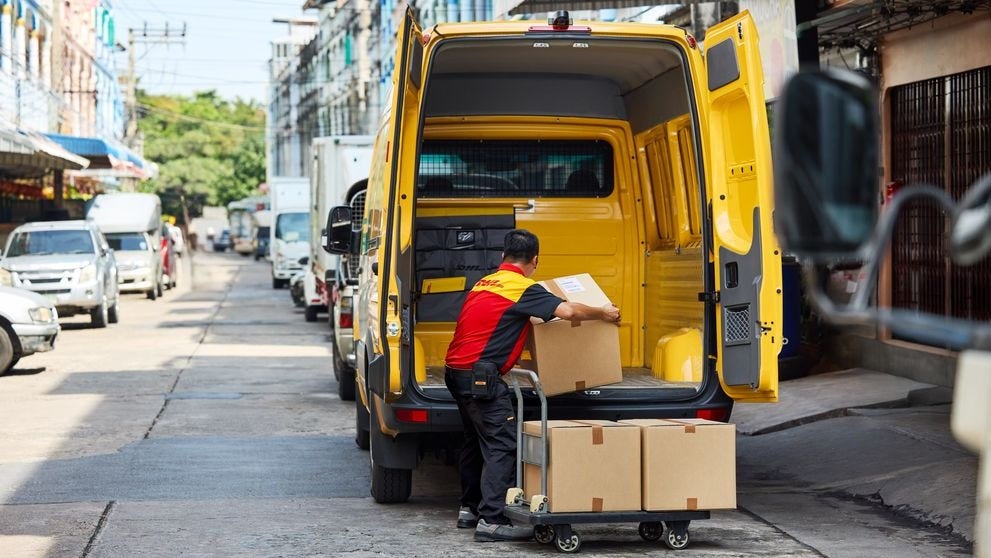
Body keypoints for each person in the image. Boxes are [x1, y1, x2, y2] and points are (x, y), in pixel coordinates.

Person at [444, 229, 621, 542]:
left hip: (456, 372)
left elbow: (493, 328)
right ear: (535, 261)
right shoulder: (523, 288)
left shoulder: (486, 282)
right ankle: (492, 520)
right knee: (502, 444)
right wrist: (602, 312)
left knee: (475, 440)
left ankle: (469, 510)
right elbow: (568, 311)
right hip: (481, 378)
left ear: (503, 256)